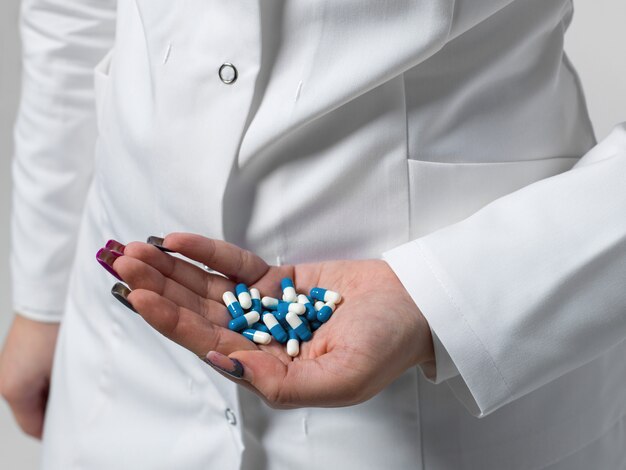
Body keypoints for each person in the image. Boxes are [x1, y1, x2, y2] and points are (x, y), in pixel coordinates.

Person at [1, 0, 625, 468]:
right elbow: (72, 11)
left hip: (457, 370)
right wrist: (43, 292)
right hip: (128, 354)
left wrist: (441, 296)